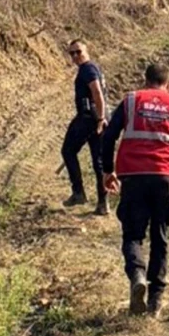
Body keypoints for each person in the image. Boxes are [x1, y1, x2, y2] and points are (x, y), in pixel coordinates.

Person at [99, 63, 169, 317]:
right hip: (166, 177)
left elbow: (108, 136)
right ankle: (155, 300)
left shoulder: (132, 100)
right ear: (168, 83)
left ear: (146, 81)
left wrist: (108, 171)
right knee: (160, 236)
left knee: (132, 234)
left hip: (133, 176)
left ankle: (137, 276)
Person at [62, 39, 110, 215]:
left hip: (89, 118)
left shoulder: (88, 69)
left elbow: (97, 92)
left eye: (78, 52)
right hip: (96, 118)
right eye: (71, 53)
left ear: (86, 50)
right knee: (98, 163)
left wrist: (101, 117)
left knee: (67, 150)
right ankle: (103, 204)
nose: (75, 56)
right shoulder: (94, 67)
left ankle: (78, 192)